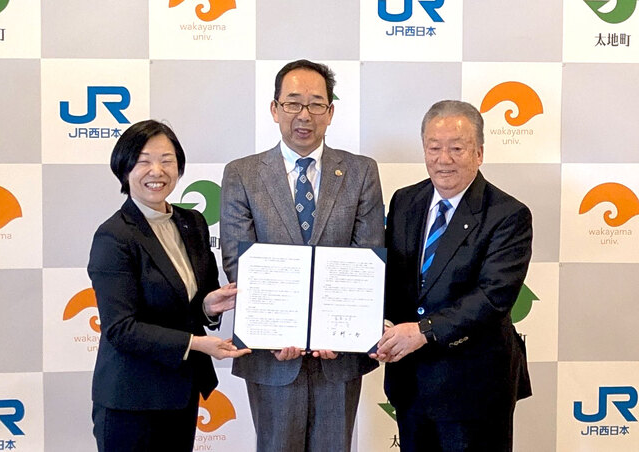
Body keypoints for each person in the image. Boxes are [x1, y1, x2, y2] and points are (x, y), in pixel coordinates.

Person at [220, 59, 385, 451]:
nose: (304, 115)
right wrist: (277, 329)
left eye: (315, 104)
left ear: (330, 112)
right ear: (275, 109)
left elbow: (366, 257)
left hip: (339, 353)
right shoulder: (243, 174)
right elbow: (238, 261)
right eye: (293, 103)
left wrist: (337, 330)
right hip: (270, 352)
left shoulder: (361, 172)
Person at [375, 100, 532, 451]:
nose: (443, 159)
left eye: (456, 148)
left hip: (474, 388)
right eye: (434, 148)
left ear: (479, 153)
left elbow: (493, 296)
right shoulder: (405, 201)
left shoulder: (508, 215)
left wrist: (423, 331)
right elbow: (392, 277)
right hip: (410, 384)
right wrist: (372, 323)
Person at [88, 120, 250, 452]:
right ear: (124, 169)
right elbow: (121, 328)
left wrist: (208, 306)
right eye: (144, 161)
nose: (157, 171)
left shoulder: (192, 223)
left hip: (180, 393)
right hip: (131, 400)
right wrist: (196, 343)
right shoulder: (114, 235)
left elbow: (192, 300)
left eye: (167, 160)